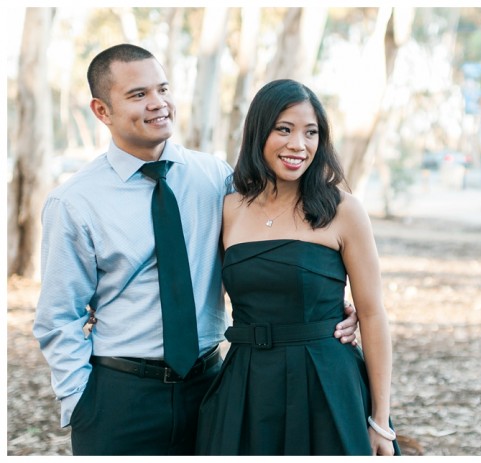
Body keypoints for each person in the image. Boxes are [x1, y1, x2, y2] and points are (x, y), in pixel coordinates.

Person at [32, 44, 359, 456]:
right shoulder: (75, 202)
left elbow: (268, 250)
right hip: (120, 397)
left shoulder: (216, 179)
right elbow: (58, 315)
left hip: (214, 388)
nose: (158, 104)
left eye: (162, 89)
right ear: (101, 111)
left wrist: (330, 305)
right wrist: (79, 401)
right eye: (138, 95)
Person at [195, 79, 401, 456]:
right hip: (247, 385)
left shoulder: (343, 210)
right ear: (259, 132)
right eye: (284, 129)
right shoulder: (228, 209)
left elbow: (372, 314)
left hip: (326, 381)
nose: (298, 145)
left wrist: (380, 421)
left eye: (311, 133)